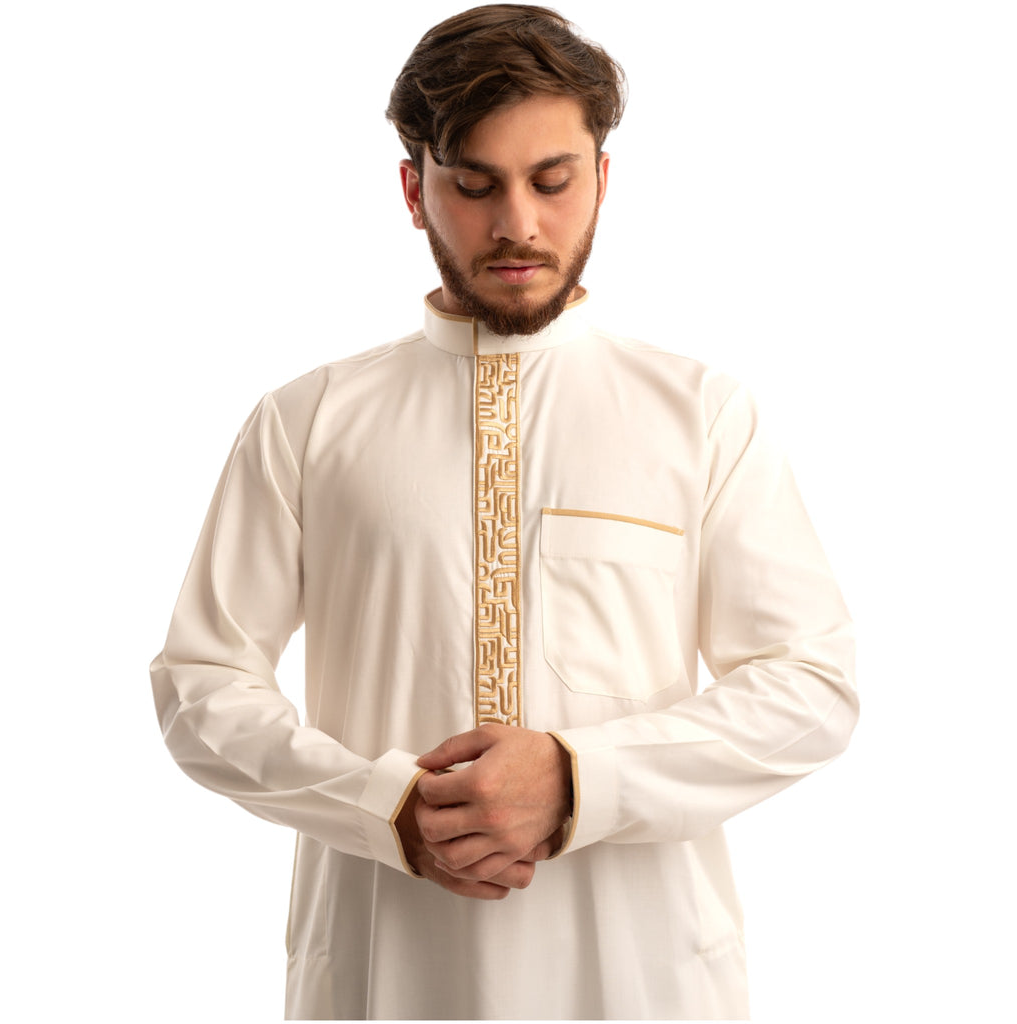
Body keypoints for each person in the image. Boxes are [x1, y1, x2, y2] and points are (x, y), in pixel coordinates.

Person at [151, 5, 858, 1019]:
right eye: (475, 185)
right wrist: (384, 808)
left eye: (551, 181)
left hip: (643, 978)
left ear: (602, 180)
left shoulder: (700, 414)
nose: (517, 224)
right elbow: (199, 683)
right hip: (384, 976)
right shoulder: (308, 422)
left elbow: (810, 687)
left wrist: (577, 778)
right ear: (414, 190)